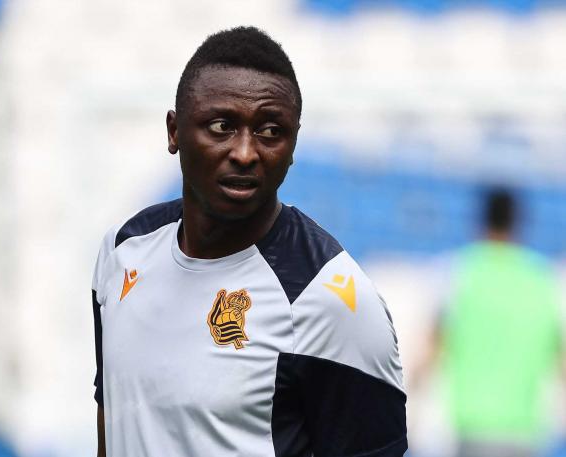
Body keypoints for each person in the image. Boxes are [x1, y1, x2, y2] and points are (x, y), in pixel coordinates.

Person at [91, 26, 407, 457]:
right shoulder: (123, 250)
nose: (245, 152)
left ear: (293, 146)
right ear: (174, 132)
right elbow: (114, 408)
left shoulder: (331, 300)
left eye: (270, 131)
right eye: (221, 125)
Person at [418, 189, 563, 457]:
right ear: (519, 223)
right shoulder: (542, 281)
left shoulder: (458, 273)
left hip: (472, 428)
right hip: (524, 432)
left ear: (480, 221)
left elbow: (431, 351)